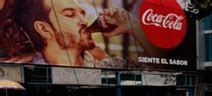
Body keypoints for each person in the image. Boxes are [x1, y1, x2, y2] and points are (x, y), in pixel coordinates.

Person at [12, 0, 155, 67]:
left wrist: (134, 25)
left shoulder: (108, 68)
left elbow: (168, 71)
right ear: (44, 29)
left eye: (82, 13)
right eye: (69, 14)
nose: (84, 21)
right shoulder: (30, 70)